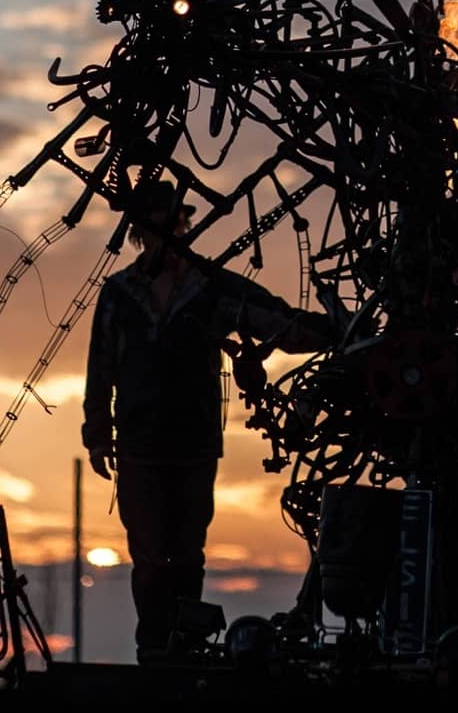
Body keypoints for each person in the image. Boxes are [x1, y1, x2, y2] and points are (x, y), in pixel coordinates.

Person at [81, 177, 335, 660]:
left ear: (185, 226)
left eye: (175, 225)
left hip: (194, 444)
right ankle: (154, 648)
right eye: (157, 228)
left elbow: (276, 322)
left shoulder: (212, 290)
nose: (169, 237)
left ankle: (185, 646)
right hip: (138, 446)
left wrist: (340, 329)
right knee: (150, 556)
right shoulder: (117, 295)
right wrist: (97, 436)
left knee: (187, 554)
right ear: (140, 233)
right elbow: (100, 369)